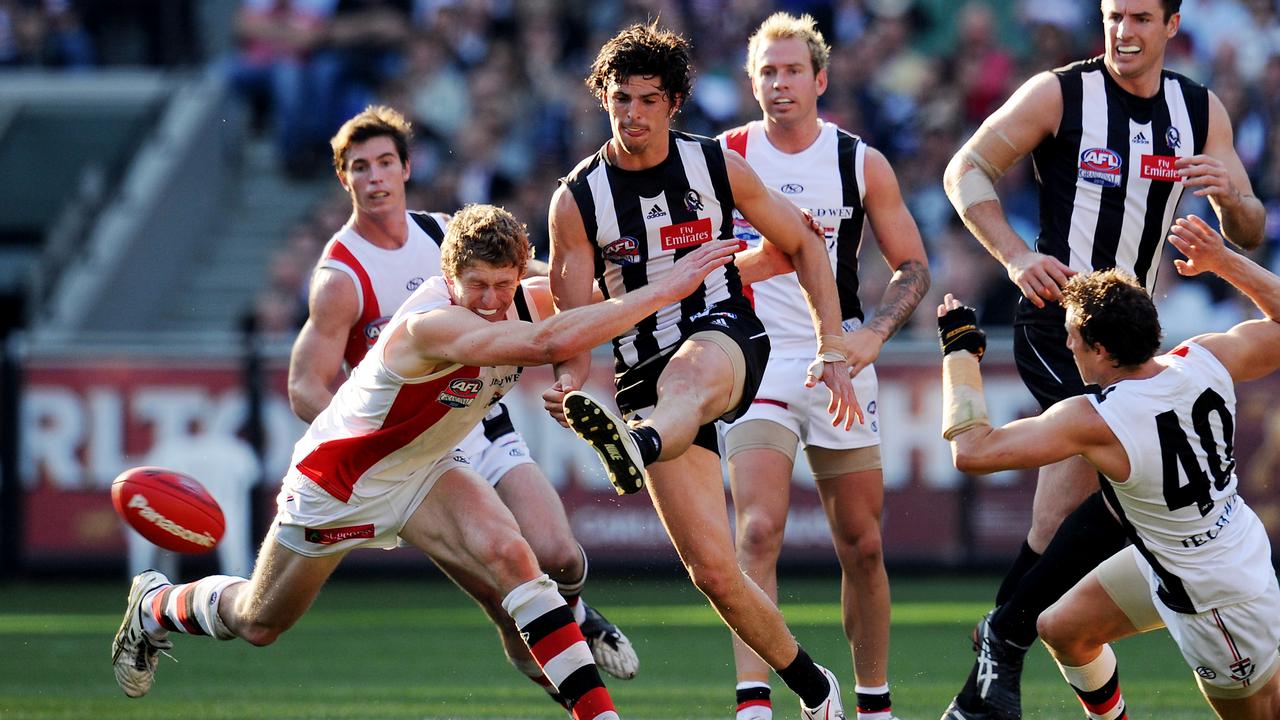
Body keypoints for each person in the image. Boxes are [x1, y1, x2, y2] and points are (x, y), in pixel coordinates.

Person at [111, 203, 740, 720]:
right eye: (477, 285)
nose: (491, 299)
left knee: (514, 556)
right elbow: (554, 338)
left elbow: (593, 303)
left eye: (503, 283)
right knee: (259, 621)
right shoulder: (429, 325)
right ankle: (155, 605)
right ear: (449, 275)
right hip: (340, 486)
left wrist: (750, 260)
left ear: (521, 271)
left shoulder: (526, 293)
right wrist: (672, 285)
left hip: (427, 471)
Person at [940, 1, 1264, 716]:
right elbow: (967, 170)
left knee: (1060, 515)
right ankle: (1004, 647)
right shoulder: (1061, 92)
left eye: (1142, 17)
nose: (1124, 30)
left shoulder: (1198, 110)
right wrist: (1016, 254)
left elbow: (1249, 223)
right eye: (1114, 15)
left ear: (1173, 25)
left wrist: (1231, 198)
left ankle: (995, 660)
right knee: (1117, 476)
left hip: (1136, 330)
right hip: (1063, 324)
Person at [544, 22, 859, 720]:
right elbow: (573, 319)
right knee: (715, 572)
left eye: (647, 100)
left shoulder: (716, 167)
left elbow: (804, 243)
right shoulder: (576, 199)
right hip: (638, 376)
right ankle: (817, 690)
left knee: (685, 377)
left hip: (724, 336)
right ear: (604, 98)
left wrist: (830, 344)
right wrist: (568, 380)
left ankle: (639, 444)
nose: (632, 113)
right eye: (620, 99)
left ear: (674, 102)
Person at [285, 106, 638, 704]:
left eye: (386, 164)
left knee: (557, 554)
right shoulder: (341, 277)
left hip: (478, 418)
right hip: (410, 446)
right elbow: (304, 388)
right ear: (343, 178)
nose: (375, 178)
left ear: (407, 168)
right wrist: (365, 441)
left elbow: (541, 287)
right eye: (360, 167)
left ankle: (576, 613)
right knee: (510, 598)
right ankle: (575, 679)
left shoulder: (448, 234)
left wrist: (616, 288)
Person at [936, 213, 1280, 720]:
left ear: (1100, 348)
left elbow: (971, 452)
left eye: (1072, 335)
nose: (1067, 343)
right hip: (1198, 553)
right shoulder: (1203, 357)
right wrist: (1223, 261)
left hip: (1214, 603)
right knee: (1061, 628)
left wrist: (959, 353)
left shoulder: (1097, 419)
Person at [716, 13, 930, 720]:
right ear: (753, 84)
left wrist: (871, 334)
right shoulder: (724, 159)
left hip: (838, 358)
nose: (780, 84)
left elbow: (913, 266)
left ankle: (873, 705)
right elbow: (696, 265)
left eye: (792, 71)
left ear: (821, 79)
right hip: (754, 360)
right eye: (767, 73)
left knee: (863, 544)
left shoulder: (858, 162)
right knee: (756, 531)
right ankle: (754, 704)